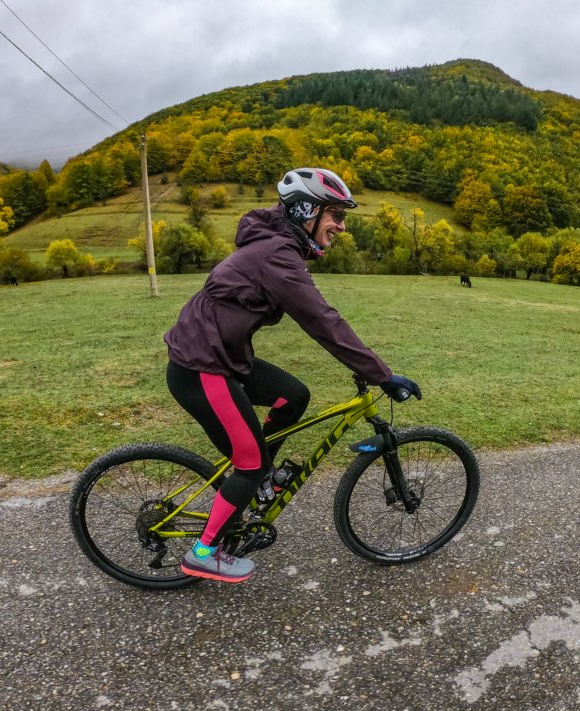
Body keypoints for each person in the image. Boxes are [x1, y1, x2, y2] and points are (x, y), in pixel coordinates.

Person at [163, 167, 422, 584]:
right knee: (249, 464)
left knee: (293, 396)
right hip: (201, 368)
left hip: (223, 357)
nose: (342, 226)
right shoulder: (277, 256)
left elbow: (319, 316)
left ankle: (261, 478)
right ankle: (204, 552)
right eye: (335, 215)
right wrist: (382, 375)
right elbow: (322, 321)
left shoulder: (279, 247)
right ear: (306, 211)